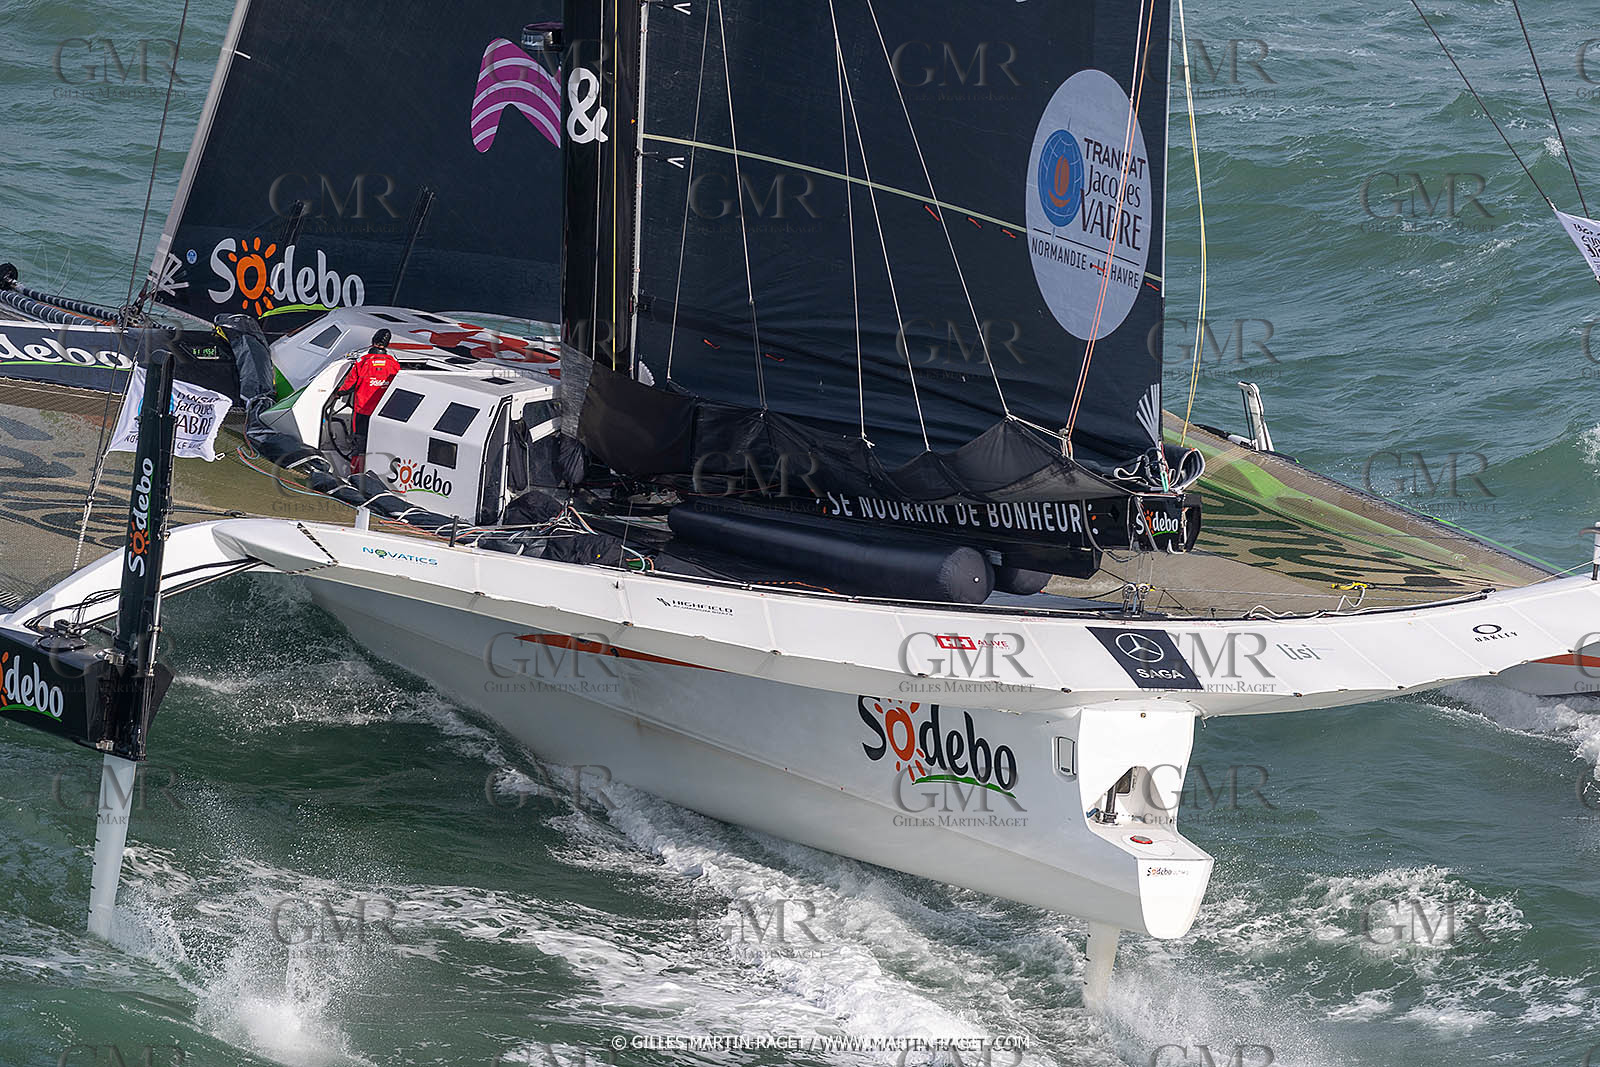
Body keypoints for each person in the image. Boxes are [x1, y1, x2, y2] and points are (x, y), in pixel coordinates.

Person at [337, 328, 399, 471]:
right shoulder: (393, 364)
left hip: (362, 410)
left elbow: (349, 385)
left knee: (360, 444)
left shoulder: (363, 362)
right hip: (383, 413)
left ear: (373, 342)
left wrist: (338, 393)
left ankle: (356, 474)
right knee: (379, 443)